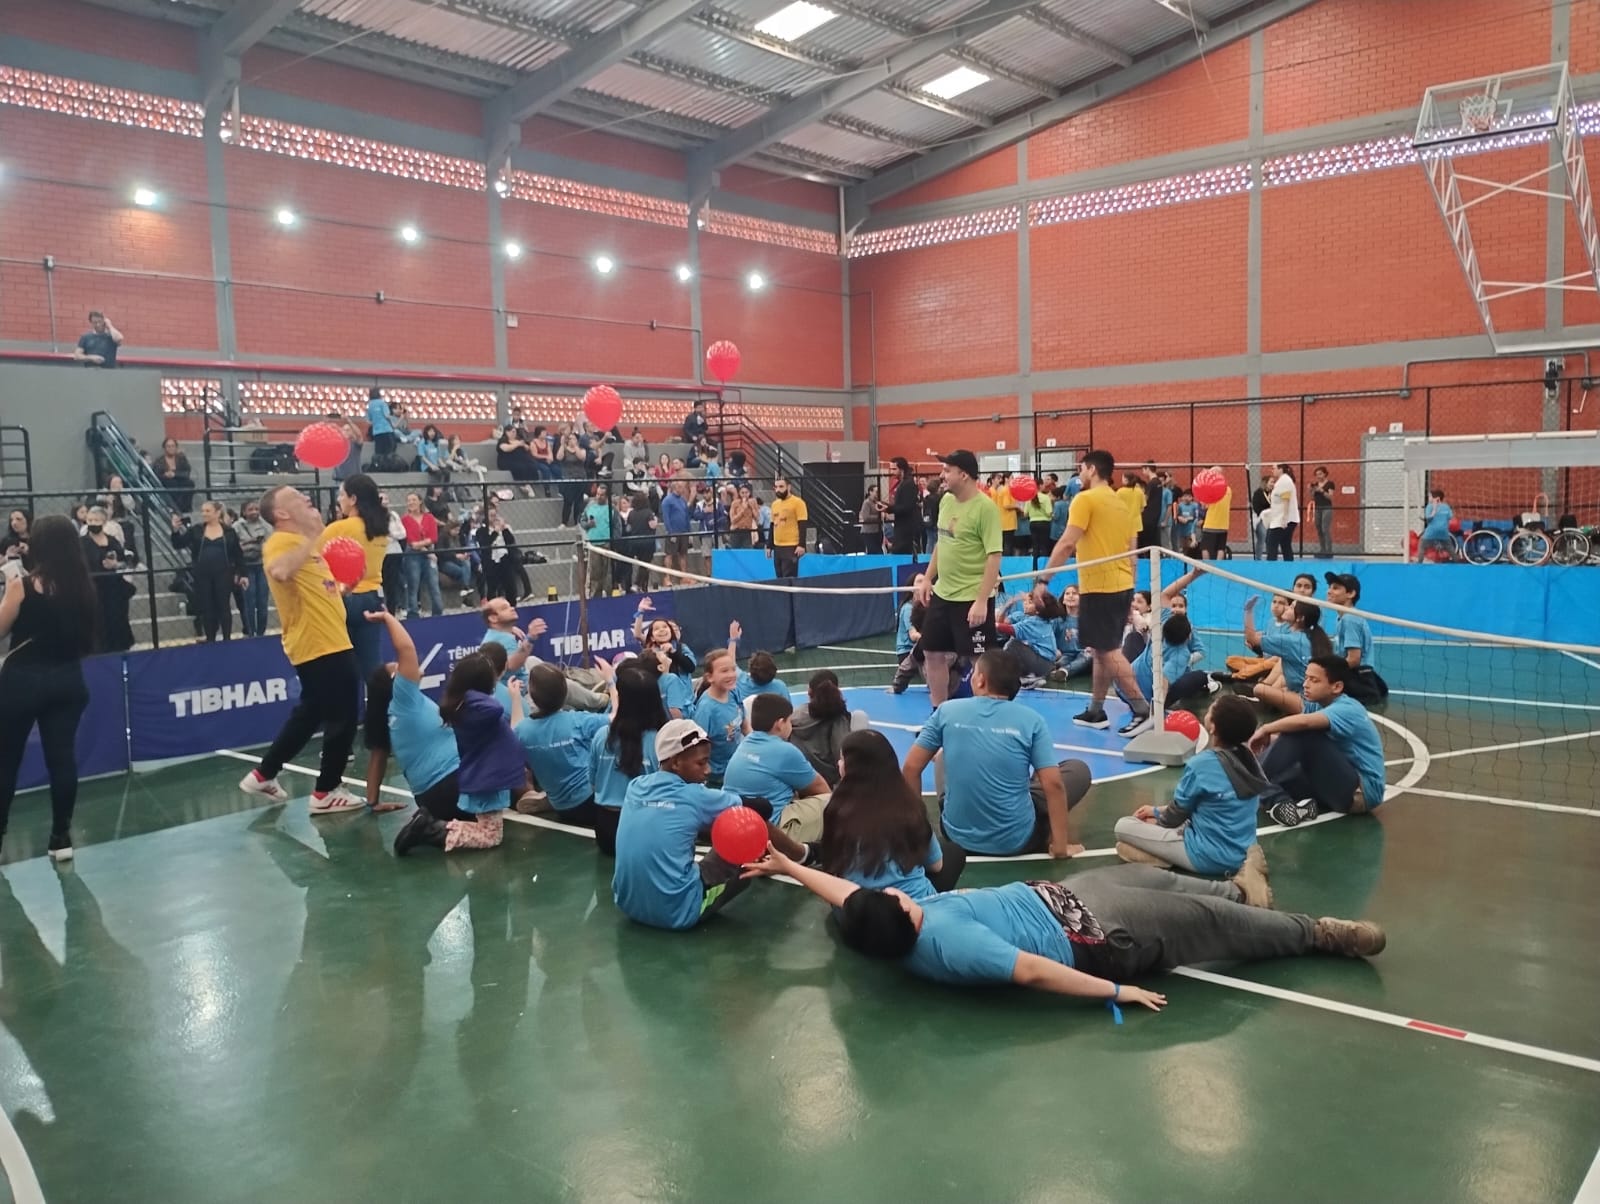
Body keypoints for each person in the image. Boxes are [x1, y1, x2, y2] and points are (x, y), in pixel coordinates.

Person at [744, 849, 1387, 999]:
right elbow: (1030, 970)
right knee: (1208, 922)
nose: (895, 891)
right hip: (1101, 933)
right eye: (898, 897)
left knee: (1167, 881)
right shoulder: (949, 943)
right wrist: (1117, 991)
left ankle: (1240, 888)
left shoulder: (883, 924)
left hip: (1065, 892)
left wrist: (783, 865)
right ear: (908, 919)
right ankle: (1321, 934)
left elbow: (848, 895)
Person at [902, 649, 1089, 883]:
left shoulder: (947, 711)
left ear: (980, 680)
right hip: (1017, 841)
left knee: (941, 757)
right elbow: (1053, 785)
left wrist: (921, 836)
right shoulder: (1031, 720)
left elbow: (910, 768)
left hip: (955, 836)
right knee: (1078, 769)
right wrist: (1060, 847)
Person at [237, 486, 365, 814]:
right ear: (281, 513)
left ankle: (264, 773)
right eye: (296, 497)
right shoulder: (281, 542)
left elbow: (320, 587)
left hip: (328, 640)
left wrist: (344, 587)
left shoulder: (307, 547)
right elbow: (279, 572)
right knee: (343, 716)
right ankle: (326, 791)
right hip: (321, 644)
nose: (306, 498)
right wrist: (311, 536)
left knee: (311, 712)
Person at [611, 719, 809, 931]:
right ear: (676, 762)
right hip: (678, 912)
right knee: (746, 828)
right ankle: (803, 854)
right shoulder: (696, 796)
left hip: (628, 904)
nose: (708, 770)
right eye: (701, 763)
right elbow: (761, 808)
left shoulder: (635, 787)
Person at [0, 516, 98, 861]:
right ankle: (61, 837)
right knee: (62, 759)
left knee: (6, 760)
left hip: (22, 681)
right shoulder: (84, 587)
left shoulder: (22, 585)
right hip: (68, 679)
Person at [1113, 695, 1271, 898]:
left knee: (1123, 826)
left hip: (1206, 855)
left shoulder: (1202, 764)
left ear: (1213, 727)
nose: (1208, 708)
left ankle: (1162, 857)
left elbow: (1173, 818)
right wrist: (1156, 810)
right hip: (1243, 852)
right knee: (1152, 823)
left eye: (1212, 707)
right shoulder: (1250, 759)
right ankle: (1160, 852)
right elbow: (1214, 803)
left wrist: (1155, 818)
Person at [1041, 449, 1147, 735]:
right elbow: (1132, 551)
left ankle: (1142, 709)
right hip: (1120, 585)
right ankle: (1096, 710)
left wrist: (1043, 579)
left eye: (1081, 469)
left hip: (1100, 587)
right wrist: (1130, 593)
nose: (1079, 474)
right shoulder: (1123, 502)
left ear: (1090, 469)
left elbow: (1066, 543)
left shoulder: (1085, 499)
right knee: (1100, 652)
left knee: (1109, 651)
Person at [394, 653, 527, 852]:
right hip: (486, 779)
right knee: (490, 835)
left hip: (485, 776)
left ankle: (432, 826)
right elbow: (496, 708)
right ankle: (432, 830)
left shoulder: (462, 706)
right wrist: (475, 691)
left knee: (488, 828)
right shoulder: (477, 709)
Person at [1251, 656, 1389, 828]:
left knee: (1300, 731)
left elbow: (1303, 723)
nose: (1305, 684)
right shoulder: (1319, 704)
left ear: (1337, 687)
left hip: (1360, 793)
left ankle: (1250, 779)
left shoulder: (1348, 708)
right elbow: (1289, 743)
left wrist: (1265, 729)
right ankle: (1289, 805)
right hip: (1334, 783)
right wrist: (1266, 742)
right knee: (1279, 776)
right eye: (1306, 678)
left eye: (1314, 680)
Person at [913, 450, 1002, 710]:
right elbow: (943, 542)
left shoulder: (986, 508)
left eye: (947, 471)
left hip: (971, 597)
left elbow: (994, 557)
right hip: (943, 594)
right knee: (932, 653)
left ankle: (986, 714)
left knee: (981, 661)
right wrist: (928, 578)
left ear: (963, 475)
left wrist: (981, 601)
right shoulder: (945, 502)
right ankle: (938, 714)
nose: (942, 475)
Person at [820, 728, 953, 897]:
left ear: (849, 767)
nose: (838, 763)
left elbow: (832, 867)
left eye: (841, 759)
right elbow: (936, 865)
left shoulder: (834, 808)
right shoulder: (910, 807)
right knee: (953, 853)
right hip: (914, 909)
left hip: (857, 910)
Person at [359, 611, 452, 850]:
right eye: (398, 667)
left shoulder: (392, 713)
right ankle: (434, 832)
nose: (406, 666)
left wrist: (373, 802)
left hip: (430, 799)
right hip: (452, 783)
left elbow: (377, 758)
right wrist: (387, 617)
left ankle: (431, 826)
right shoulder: (403, 699)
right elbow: (407, 649)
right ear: (396, 681)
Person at [515, 663, 612, 833]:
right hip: (594, 801)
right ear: (567, 692)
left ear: (530, 694)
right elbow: (618, 718)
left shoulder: (522, 731)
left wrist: (515, 697)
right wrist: (611, 682)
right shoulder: (578, 720)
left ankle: (546, 797)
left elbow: (515, 728)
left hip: (563, 809)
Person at [589, 657, 670, 855]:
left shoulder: (602, 736)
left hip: (605, 832)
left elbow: (592, 783)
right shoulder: (661, 741)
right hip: (643, 830)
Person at [724, 694, 830, 842]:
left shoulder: (746, 742)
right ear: (780, 723)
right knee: (832, 802)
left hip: (735, 824)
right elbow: (820, 788)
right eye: (789, 721)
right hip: (770, 831)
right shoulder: (785, 750)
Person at [323, 474, 392, 681]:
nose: (339, 500)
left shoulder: (339, 528)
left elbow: (315, 560)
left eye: (342, 495)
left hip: (344, 597)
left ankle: (349, 713)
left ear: (353, 499)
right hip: (373, 598)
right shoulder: (380, 529)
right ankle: (379, 711)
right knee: (372, 666)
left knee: (342, 669)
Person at [170, 502, 245, 642]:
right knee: (207, 607)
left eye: (208, 511)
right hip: (202, 575)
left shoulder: (229, 531)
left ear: (217, 513)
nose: (204, 513)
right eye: (203, 511)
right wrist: (175, 530)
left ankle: (227, 639)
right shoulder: (196, 530)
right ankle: (211, 638)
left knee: (223, 606)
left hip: (223, 574)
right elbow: (178, 544)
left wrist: (242, 574)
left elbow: (238, 554)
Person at [788, 669, 866, 786]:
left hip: (797, 780)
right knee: (860, 717)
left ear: (809, 692)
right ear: (837, 691)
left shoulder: (793, 716)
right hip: (828, 783)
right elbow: (841, 755)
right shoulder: (839, 720)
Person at [81, 506, 134, 652]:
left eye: (96, 520)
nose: (93, 523)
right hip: (93, 587)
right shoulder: (82, 543)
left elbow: (125, 561)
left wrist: (116, 564)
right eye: (90, 520)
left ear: (104, 522)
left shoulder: (112, 541)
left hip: (113, 588)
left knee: (117, 620)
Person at [692, 645, 745, 786]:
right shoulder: (706, 709)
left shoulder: (733, 691)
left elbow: (745, 723)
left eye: (733, 669)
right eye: (724, 671)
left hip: (738, 763)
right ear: (710, 677)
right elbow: (697, 745)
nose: (731, 674)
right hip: (718, 776)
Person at [399, 492, 444, 619]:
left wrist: (424, 546)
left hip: (429, 550)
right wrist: (428, 551)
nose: (411, 502)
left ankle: (438, 612)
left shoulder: (429, 517)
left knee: (433, 584)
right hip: (413, 555)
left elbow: (434, 537)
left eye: (413, 500)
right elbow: (411, 542)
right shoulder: (405, 520)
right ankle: (413, 613)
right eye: (409, 500)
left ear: (420, 502)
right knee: (413, 585)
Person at [234, 499, 273, 637]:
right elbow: (235, 548)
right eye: (250, 509)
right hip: (246, 568)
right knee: (249, 602)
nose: (254, 512)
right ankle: (251, 632)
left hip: (262, 566)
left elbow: (271, 543)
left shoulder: (265, 525)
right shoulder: (237, 526)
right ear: (244, 511)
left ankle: (261, 633)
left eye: (256, 509)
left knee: (262, 602)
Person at [768, 477, 808, 579]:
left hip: (791, 546)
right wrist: (769, 545)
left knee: (789, 577)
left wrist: (801, 545)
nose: (778, 489)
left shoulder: (798, 503)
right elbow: (773, 525)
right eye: (776, 487)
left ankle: (791, 595)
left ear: (789, 487)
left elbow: (802, 524)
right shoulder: (774, 504)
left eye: (781, 486)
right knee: (779, 577)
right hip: (778, 546)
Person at [1265, 463, 1300, 561]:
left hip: (1282, 521)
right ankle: (1288, 565)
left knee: (1271, 542)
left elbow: (1286, 500)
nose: (1272, 470)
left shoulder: (1285, 481)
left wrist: (1284, 518)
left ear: (1281, 469)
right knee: (1285, 544)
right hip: (1280, 519)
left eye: (1274, 468)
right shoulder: (1280, 482)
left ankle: (1271, 566)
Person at [887, 458, 920, 555]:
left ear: (901, 470)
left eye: (894, 469)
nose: (892, 472)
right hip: (902, 526)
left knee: (900, 553)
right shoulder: (903, 483)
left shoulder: (908, 484)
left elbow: (907, 507)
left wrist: (889, 508)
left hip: (906, 528)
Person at [1198, 467, 1231, 559]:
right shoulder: (1228, 489)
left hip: (1211, 524)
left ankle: (1207, 566)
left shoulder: (1211, 489)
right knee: (1220, 547)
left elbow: (1204, 505)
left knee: (1205, 547)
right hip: (1224, 524)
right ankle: (1219, 566)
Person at [155, 437, 195, 513]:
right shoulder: (159, 460)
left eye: (173, 446)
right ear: (164, 448)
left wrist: (175, 474)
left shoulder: (181, 458)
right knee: (171, 483)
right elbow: (156, 474)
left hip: (181, 479)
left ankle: (185, 508)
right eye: (168, 446)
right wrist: (165, 475)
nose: (171, 448)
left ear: (176, 447)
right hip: (166, 481)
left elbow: (187, 472)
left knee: (190, 483)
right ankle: (174, 508)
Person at [1309, 466, 1336, 557]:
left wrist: (1322, 491)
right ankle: (1322, 549)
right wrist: (1311, 490)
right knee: (1319, 528)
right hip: (1317, 508)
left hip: (1326, 507)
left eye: (1320, 474)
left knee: (1325, 528)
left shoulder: (1330, 484)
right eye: (1317, 474)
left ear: (1325, 473)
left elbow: (1330, 496)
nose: (1318, 476)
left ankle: (1329, 551)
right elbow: (1312, 497)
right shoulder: (1316, 484)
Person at [1420, 488, 1454, 561]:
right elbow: (1450, 517)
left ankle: (1419, 563)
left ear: (1435, 498)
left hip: (1431, 532)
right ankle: (1457, 561)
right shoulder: (1446, 506)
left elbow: (1429, 519)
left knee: (1422, 545)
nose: (1428, 498)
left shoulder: (1430, 506)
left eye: (1430, 497)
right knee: (1450, 548)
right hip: (1444, 532)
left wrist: (1434, 510)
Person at [366, 387, 398, 461]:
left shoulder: (370, 405)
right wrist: (392, 425)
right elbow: (387, 416)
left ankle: (380, 466)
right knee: (391, 448)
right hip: (386, 429)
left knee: (379, 451)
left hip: (376, 431)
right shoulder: (382, 403)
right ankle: (389, 465)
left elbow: (369, 419)